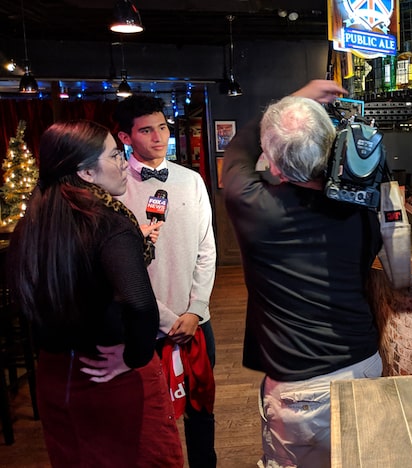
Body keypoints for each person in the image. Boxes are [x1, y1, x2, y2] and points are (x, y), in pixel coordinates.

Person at [222, 80, 383, 468]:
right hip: (364, 365)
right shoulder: (361, 210)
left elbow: (236, 150)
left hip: (301, 390)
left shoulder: (251, 203)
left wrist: (298, 95)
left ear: (272, 163)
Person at [7, 120, 183, 466]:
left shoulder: (34, 221)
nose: (123, 162)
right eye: (116, 155)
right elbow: (140, 304)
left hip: (57, 377)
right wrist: (133, 356)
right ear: (86, 172)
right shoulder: (107, 222)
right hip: (111, 378)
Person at [113, 95, 218, 467]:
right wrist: (163, 319)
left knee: (201, 406)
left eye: (162, 127)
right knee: (152, 417)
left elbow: (207, 247)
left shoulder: (191, 180)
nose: (158, 137)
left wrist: (196, 309)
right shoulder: (114, 188)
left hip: (196, 320)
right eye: (146, 130)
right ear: (125, 137)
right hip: (144, 324)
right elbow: (119, 269)